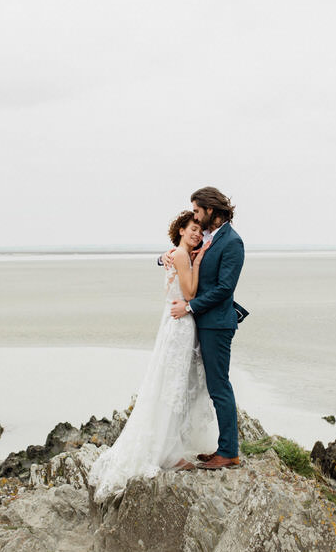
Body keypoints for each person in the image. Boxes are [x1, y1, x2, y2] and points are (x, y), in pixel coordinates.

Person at [88, 211, 219, 501]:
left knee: (168, 386)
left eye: (200, 230)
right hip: (181, 323)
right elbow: (190, 291)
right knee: (172, 387)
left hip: (172, 322)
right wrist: (197, 261)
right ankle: (168, 452)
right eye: (192, 229)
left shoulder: (173, 254)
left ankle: (167, 448)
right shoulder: (182, 256)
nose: (197, 234)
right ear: (181, 230)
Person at [168, 187, 246, 470]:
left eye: (198, 211)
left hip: (217, 325)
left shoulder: (232, 242)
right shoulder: (211, 238)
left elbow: (225, 289)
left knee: (219, 386)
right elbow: (184, 257)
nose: (196, 219)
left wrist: (189, 307)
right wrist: (165, 257)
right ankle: (222, 448)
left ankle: (228, 452)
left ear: (211, 210)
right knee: (210, 386)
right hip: (204, 323)